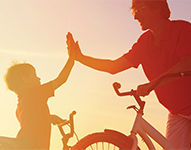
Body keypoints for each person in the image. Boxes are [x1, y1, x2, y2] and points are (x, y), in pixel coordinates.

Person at [66, 0, 191, 149]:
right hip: (176, 112)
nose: (135, 17)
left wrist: (152, 84)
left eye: (139, 10)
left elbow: (188, 62)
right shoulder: (144, 42)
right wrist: (81, 58)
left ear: (157, 8)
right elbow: (114, 66)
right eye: (134, 11)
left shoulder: (182, 29)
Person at [4, 39, 75, 150]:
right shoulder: (36, 94)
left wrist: (50, 118)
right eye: (35, 75)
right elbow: (61, 79)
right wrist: (72, 58)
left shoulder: (20, 106)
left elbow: (33, 122)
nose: (39, 78)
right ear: (25, 79)